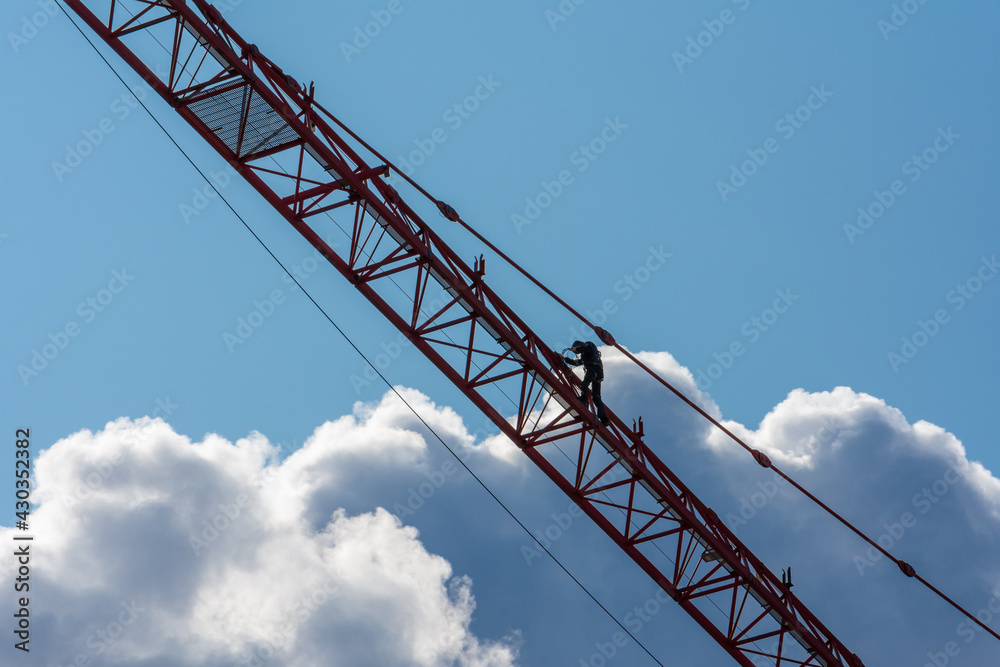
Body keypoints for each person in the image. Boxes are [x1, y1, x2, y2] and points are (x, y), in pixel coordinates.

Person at [563, 340, 609, 424]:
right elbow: (578, 362)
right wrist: (566, 359)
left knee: (584, 384)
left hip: (593, 369)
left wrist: (576, 349)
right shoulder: (586, 355)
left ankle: (583, 401)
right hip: (598, 372)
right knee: (596, 397)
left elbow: (585, 348)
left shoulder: (589, 345)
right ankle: (604, 419)